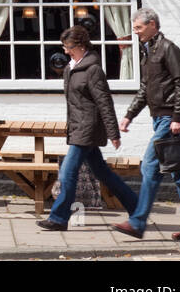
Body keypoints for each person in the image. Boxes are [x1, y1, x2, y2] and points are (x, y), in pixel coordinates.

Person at [112, 7, 180, 241]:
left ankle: (137, 222)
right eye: (134, 28)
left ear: (153, 24)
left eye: (139, 27)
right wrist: (128, 115)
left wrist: (177, 117)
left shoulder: (168, 48)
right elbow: (146, 88)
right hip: (160, 119)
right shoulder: (148, 51)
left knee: (149, 166)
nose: (135, 32)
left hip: (169, 119)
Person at [38, 25, 138, 230]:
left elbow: (104, 102)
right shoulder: (70, 68)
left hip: (87, 128)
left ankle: (58, 218)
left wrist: (113, 133)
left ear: (82, 45)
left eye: (69, 47)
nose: (65, 51)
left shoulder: (93, 70)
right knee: (103, 174)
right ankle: (138, 208)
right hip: (77, 127)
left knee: (67, 173)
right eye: (64, 47)